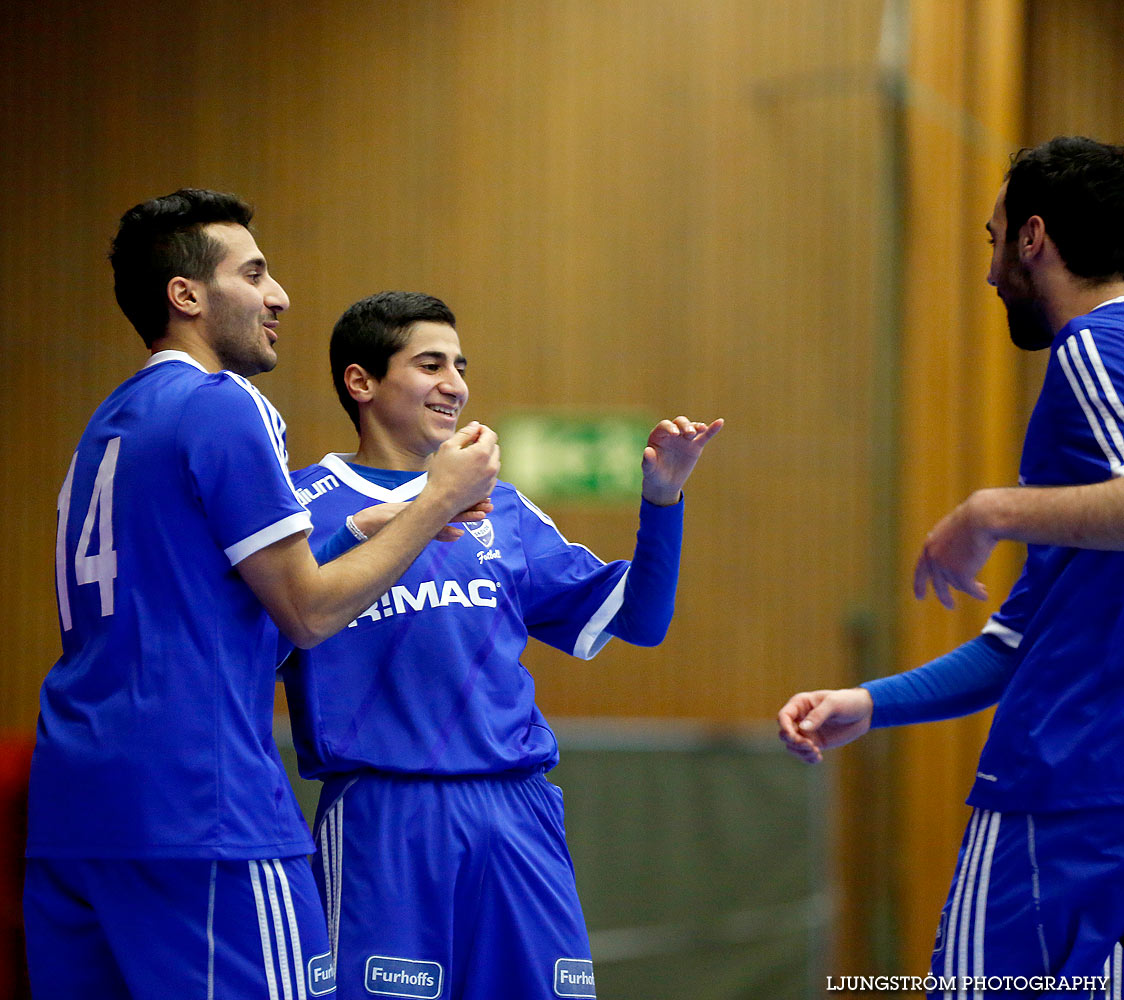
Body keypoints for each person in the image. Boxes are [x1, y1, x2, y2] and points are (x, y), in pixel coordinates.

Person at [24, 191, 500, 1000]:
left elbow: (214, 618)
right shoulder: (224, 403)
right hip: (205, 813)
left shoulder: (105, 426)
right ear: (188, 297)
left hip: (75, 817)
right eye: (254, 273)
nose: (278, 295)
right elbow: (308, 615)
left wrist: (356, 530)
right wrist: (435, 502)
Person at [278, 290, 722, 998]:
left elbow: (639, 621)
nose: (455, 384)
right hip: (384, 818)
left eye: (459, 365)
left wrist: (663, 497)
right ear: (360, 382)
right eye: (430, 364)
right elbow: (255, 640)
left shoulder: (505, 511)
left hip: (517, 814)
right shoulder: (298, 507)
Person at [778, 137, 1124, 992]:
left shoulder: (1092, 350)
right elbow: (1020, 640)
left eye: (993, 237)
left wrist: (991, 510)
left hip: (1066, 798)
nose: (989, 270)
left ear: (1033, 237)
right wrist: (869, 703)